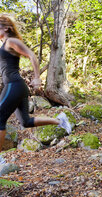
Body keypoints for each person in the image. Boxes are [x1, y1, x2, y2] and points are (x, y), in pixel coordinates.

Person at [0, 14, 71, 157]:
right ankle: (60, 120)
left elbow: (31, 55)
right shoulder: (5, 44)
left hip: (14, 84)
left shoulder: (11, 41)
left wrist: (37, 77)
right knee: (25, 121)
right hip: (15, 86)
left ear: (6, 28)